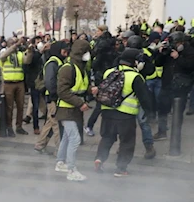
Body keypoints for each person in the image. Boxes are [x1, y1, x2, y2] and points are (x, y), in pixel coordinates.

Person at [94, 48, 153, 176]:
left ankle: (100, 159)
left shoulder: (109, 72)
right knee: (127, 142)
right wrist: (150, 112)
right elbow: (144, 98)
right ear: (134, 62)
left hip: (107, 112)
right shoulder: (135, 77)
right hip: (126, 115)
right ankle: (121, 169)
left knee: (107, 138)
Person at [54, 39, 94, 182]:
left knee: (66, 137)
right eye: (86, 52)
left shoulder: (80, 68)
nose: (88, 55)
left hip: (73, 109)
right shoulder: (68, 68)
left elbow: (80, 87)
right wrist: (80, 103)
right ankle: (71, 170)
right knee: (75, 139)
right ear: (80, 53)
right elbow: (62, 91)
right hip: (66, 109)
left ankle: (60, 162)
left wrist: (91, 90)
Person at [34, 41, 70, 154]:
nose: (66, 52)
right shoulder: (53, 63)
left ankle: (40, 145)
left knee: (51, 122)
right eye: (64, 49)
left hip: (53, 97)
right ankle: (60, 151)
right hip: (53, 98)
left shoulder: (57, 61)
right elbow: (50, 82)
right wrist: (55, 96)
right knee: (57, 125)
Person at [0, 38, 33, 136]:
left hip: (19, 83)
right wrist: (16, 45)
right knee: (9, 107)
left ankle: (19, 126)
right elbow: (3, 56)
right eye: (13, 44)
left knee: (20, 106)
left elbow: (27, 61)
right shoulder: (4, 54)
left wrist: (30, 51)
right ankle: (9, 127)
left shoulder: (19, 54)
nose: (16, 45)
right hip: (8, 83)